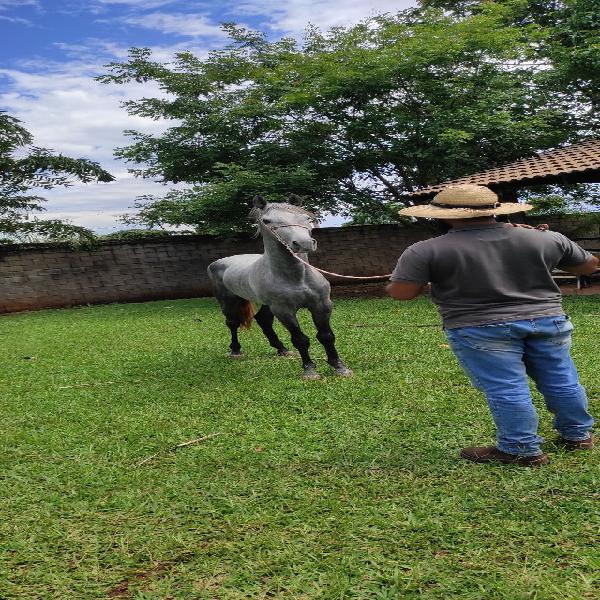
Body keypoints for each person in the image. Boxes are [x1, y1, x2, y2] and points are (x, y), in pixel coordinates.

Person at [387, 184, 598, 467]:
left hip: (479, 326)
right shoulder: (545, 238)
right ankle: (578, 436)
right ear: (494, 211)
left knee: (506, 387)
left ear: (442, 215)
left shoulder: (425, 250)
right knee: (561, 379)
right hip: (548, 320)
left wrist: (398, 281)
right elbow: (587, 267)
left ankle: (520, 449)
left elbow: (403, 293)